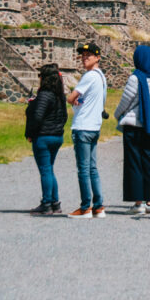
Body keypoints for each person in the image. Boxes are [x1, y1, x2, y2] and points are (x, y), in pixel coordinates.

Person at [114, 45, 150, 215]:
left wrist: (117, 114)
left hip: (134, 124)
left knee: (134, 163)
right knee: (148, 163)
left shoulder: (135, 78)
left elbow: (126, 100)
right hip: (149, 125)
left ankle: (138, 201)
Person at [66, 43, 107, 219]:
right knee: (92, 168)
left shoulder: (89, 75)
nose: (84, 58)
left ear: (97, 57)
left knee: (83, 169)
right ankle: (98, 206)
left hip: (83, 126)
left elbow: (70, 97)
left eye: (88, 55)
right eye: (83, 55)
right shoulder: (101, 77)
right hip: (94, 126)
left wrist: (72, 98)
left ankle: (85, 207)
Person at [24, 63, 68, 215]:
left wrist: (30, 133)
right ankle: (55, 202)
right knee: (49, 169)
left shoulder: (44, 95)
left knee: (45, 170)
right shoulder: (59, 95)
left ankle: (46, 203)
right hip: (57, 135)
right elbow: (65, 116)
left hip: (43, 136)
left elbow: (37, 117)